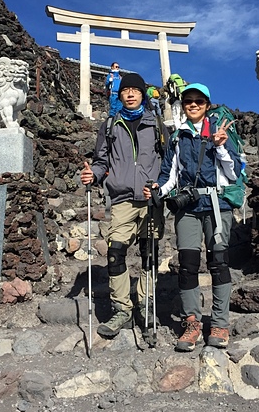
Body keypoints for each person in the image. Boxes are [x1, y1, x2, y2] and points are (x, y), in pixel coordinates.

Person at [143, 83, 242, 350]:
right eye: (189, 101)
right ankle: (192, 322)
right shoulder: (178, 137)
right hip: (188, 206)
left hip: (217, 203)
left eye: (199, 100)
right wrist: (158, 189)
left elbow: (234, 173)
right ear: (183, 106)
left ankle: (220, 323)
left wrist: (221, 147)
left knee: (218, 261)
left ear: (208, 105)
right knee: (187, 263)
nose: (194, 104)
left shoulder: (221, 133)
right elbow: (169, 174)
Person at [81, 73, 166, 338]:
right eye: (125, 90)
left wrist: (159, 187)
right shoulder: (110, 125)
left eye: (135, 90)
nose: (130, 94)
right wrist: (92, 175)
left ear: (142, 94)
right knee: (116, 252)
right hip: (121, 200)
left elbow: (169, 163)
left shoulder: (157, 125)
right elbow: (100, 161)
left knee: (149, 254)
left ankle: (145, 303)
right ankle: (122, 309)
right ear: (120, 96)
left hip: (151, 199)